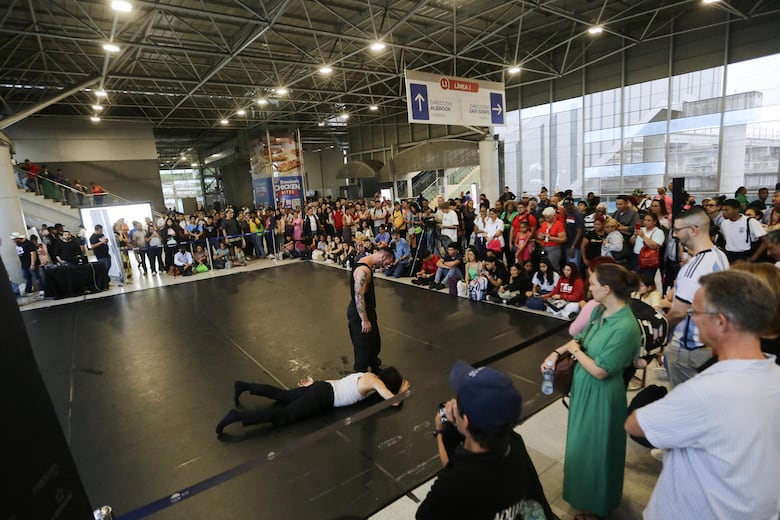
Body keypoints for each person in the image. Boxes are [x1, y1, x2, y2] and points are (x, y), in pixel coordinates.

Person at [626, 271, 780, 520]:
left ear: (720, 321)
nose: (692, 318)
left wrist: (644, 401)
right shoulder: (774, 375)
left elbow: (635, 425)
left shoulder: (706, 391)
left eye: (696, 312)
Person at [541, 263, 641, 518]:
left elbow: (601, 370)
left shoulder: (625, 327)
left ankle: (595, 507)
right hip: (585, 388)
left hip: (602, 395)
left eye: (593, 283)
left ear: (607, 289)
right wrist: (556, 354)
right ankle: (583, 498)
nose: (590, 288)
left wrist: (574, 352)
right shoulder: (599, 311)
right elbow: (579, 339)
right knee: (581, 446)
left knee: (596, 451)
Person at [417, 361, 555, 520]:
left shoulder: (455, 482)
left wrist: (440, 432)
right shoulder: (515, 445)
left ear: (465, 421)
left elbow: (424, 515)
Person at [216, 367, 410, 436]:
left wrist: (314, 383)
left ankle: (243, 386)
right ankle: (237, 416)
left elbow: (341, 382)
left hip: (323, 387)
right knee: (284, 415)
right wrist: (402, 391)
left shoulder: (367, 375)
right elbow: (393, 401)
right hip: (323, 397)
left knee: (283, 395)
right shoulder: (375, 383)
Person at [664, 207, 729, 387]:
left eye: (677, 230)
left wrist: (661, 328)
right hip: (710, 342)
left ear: (693, 230)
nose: (675, 235)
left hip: (688, 348)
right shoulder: (719, 255)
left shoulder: (693, 268)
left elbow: (679, 313)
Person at [347, 247, 395, 374]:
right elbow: (359, 296)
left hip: (368, 310)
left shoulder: (365, 262)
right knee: (362, 347)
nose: (386, 266)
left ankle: (375, 367)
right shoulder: (363, 271)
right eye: (387, 262)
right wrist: (364, 320)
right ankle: (360, 374)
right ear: (383, 256)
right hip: (360, 314)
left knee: (374, 342)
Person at [719, 198, 767, 263]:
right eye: (722, 210)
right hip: (729, 255)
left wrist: (754, 257)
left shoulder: (750, 221)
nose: (724, 213)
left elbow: (765, 241)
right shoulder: (724, 224)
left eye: (726, 210)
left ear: (736, 210)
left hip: (746, 254)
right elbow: (726, 240)